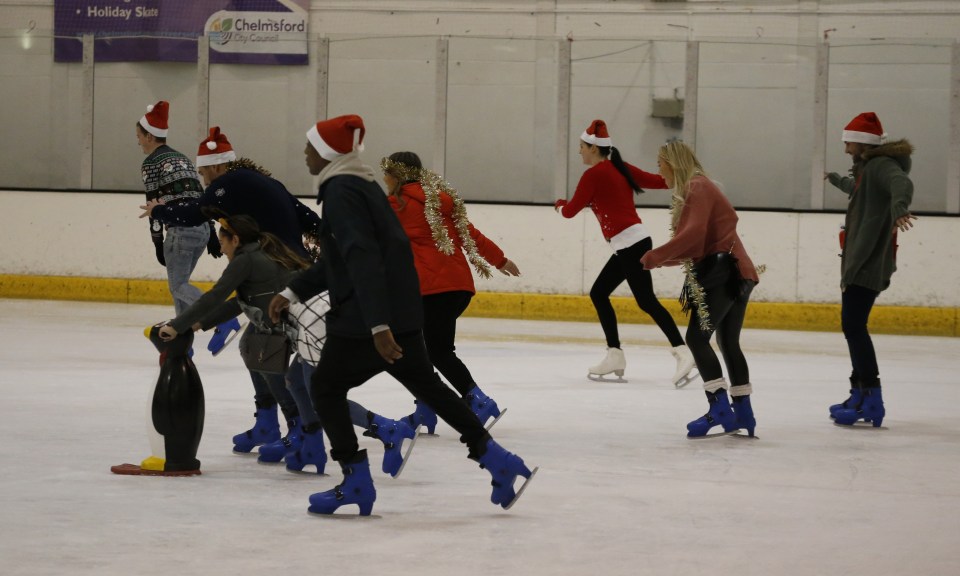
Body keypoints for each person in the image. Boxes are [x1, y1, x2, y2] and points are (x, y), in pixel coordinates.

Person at [269, 114, 536, 516]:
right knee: (429, 386)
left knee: (324, 387)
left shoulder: (342, 191)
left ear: (326, 152)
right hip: (405, 309)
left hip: (365, 319)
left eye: (309, 146)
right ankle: (498, 460)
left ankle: (356, 481)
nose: (304, 153)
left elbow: (362, 258)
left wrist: (377, 324)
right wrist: (294, 290)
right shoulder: (364, 185)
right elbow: (345, 257)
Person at [140, 127, 324, 453]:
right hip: (292, 271)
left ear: (215, 166)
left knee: (266, 352)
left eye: (203, 171)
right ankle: (269, 422)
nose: (204, 179)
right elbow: (307, 217)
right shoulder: (264, 182)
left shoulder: (230, 183)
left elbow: (195, 213)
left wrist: (159, 210)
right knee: (255, 348)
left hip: (275, 278)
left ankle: (297, 428)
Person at [381, 151, 520, 432]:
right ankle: (428, 407)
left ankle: (476, 400)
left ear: (397, 175)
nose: (383, 179)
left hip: (430, 289)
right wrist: (500, 259)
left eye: (386, 173)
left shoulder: (396, 204)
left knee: (432, 351)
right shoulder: (439, 200)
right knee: (425, 351)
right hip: (457, 287)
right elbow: (471, 234)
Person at [555, 119, 695, 386]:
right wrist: (684, 172)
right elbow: (662, 182)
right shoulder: (620, 168)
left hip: (631, 245)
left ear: (594, 149)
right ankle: (615, 354)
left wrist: (559, 205)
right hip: (630, 244)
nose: (579, 151)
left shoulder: (594, 175)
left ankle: (683, 351)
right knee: (600, 293)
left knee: (646, 301)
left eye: (582, 147)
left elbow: (571, 211)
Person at [640, 140, 760, 438]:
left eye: (660, 163)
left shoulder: (697, 187)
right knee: (728, 342)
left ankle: (720, 410)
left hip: (724, 272)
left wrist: (655, 256)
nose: (658, 170)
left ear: (672, 162)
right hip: (739, 271)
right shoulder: (699, 187)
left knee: (696, 337)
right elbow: (696, 244)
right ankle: (743, 412)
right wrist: (658, 261)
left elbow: (694, 236)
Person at [825, 112, 915, 428]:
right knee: (853, 326)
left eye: (848, 141)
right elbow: (863, 193)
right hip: (861, 259)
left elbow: (900, 183)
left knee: (854, 326)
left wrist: (900, 209)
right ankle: (860, 394)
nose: (846, 147)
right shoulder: (868, 169)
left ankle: (872, 399)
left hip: (867, 261)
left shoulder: (880, 166)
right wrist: (839, 180)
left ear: (861, 142)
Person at [136, 101, 224, 328]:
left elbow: (153, 205)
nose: (137, 141)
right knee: (180, 288)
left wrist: (157, 241)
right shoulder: (182, 158)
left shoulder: (151, 163)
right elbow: (200, 197)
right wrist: (211, 232)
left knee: (178, 286)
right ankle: (182, 343)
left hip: (181, 231)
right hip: (201, 230)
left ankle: (220, 317)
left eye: (139, 136)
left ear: (148, 136)